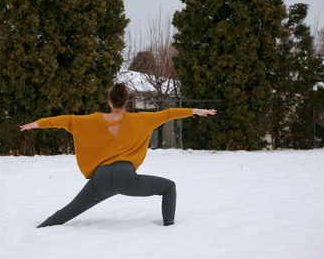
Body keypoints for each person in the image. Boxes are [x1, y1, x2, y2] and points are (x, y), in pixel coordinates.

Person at [20, 83, 216, 227]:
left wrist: (35, 124)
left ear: (109, 101)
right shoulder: (141, 119)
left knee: (68, 211)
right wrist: (195, 111)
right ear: (126, 101)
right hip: (127, 178)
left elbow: (64, 120)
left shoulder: (91, 120)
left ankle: (41, 229)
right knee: (169, 187)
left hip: (100, 180)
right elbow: (169, 113)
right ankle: (169, 226)